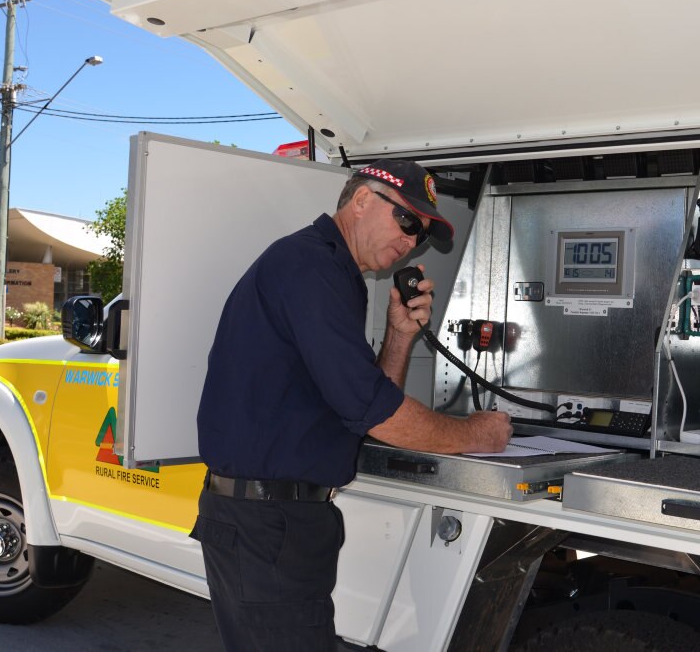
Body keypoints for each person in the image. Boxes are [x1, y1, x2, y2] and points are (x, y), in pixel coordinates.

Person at [190, 158, 512, 651]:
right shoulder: (310, 265)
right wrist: (475, 435)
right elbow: (372, 409)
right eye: (407, 221)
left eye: (421, 235)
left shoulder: (332, 272)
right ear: (362, 200)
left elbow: (358, 405)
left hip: (279, 523)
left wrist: (401, 336)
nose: (410, 241)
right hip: (267, 524)